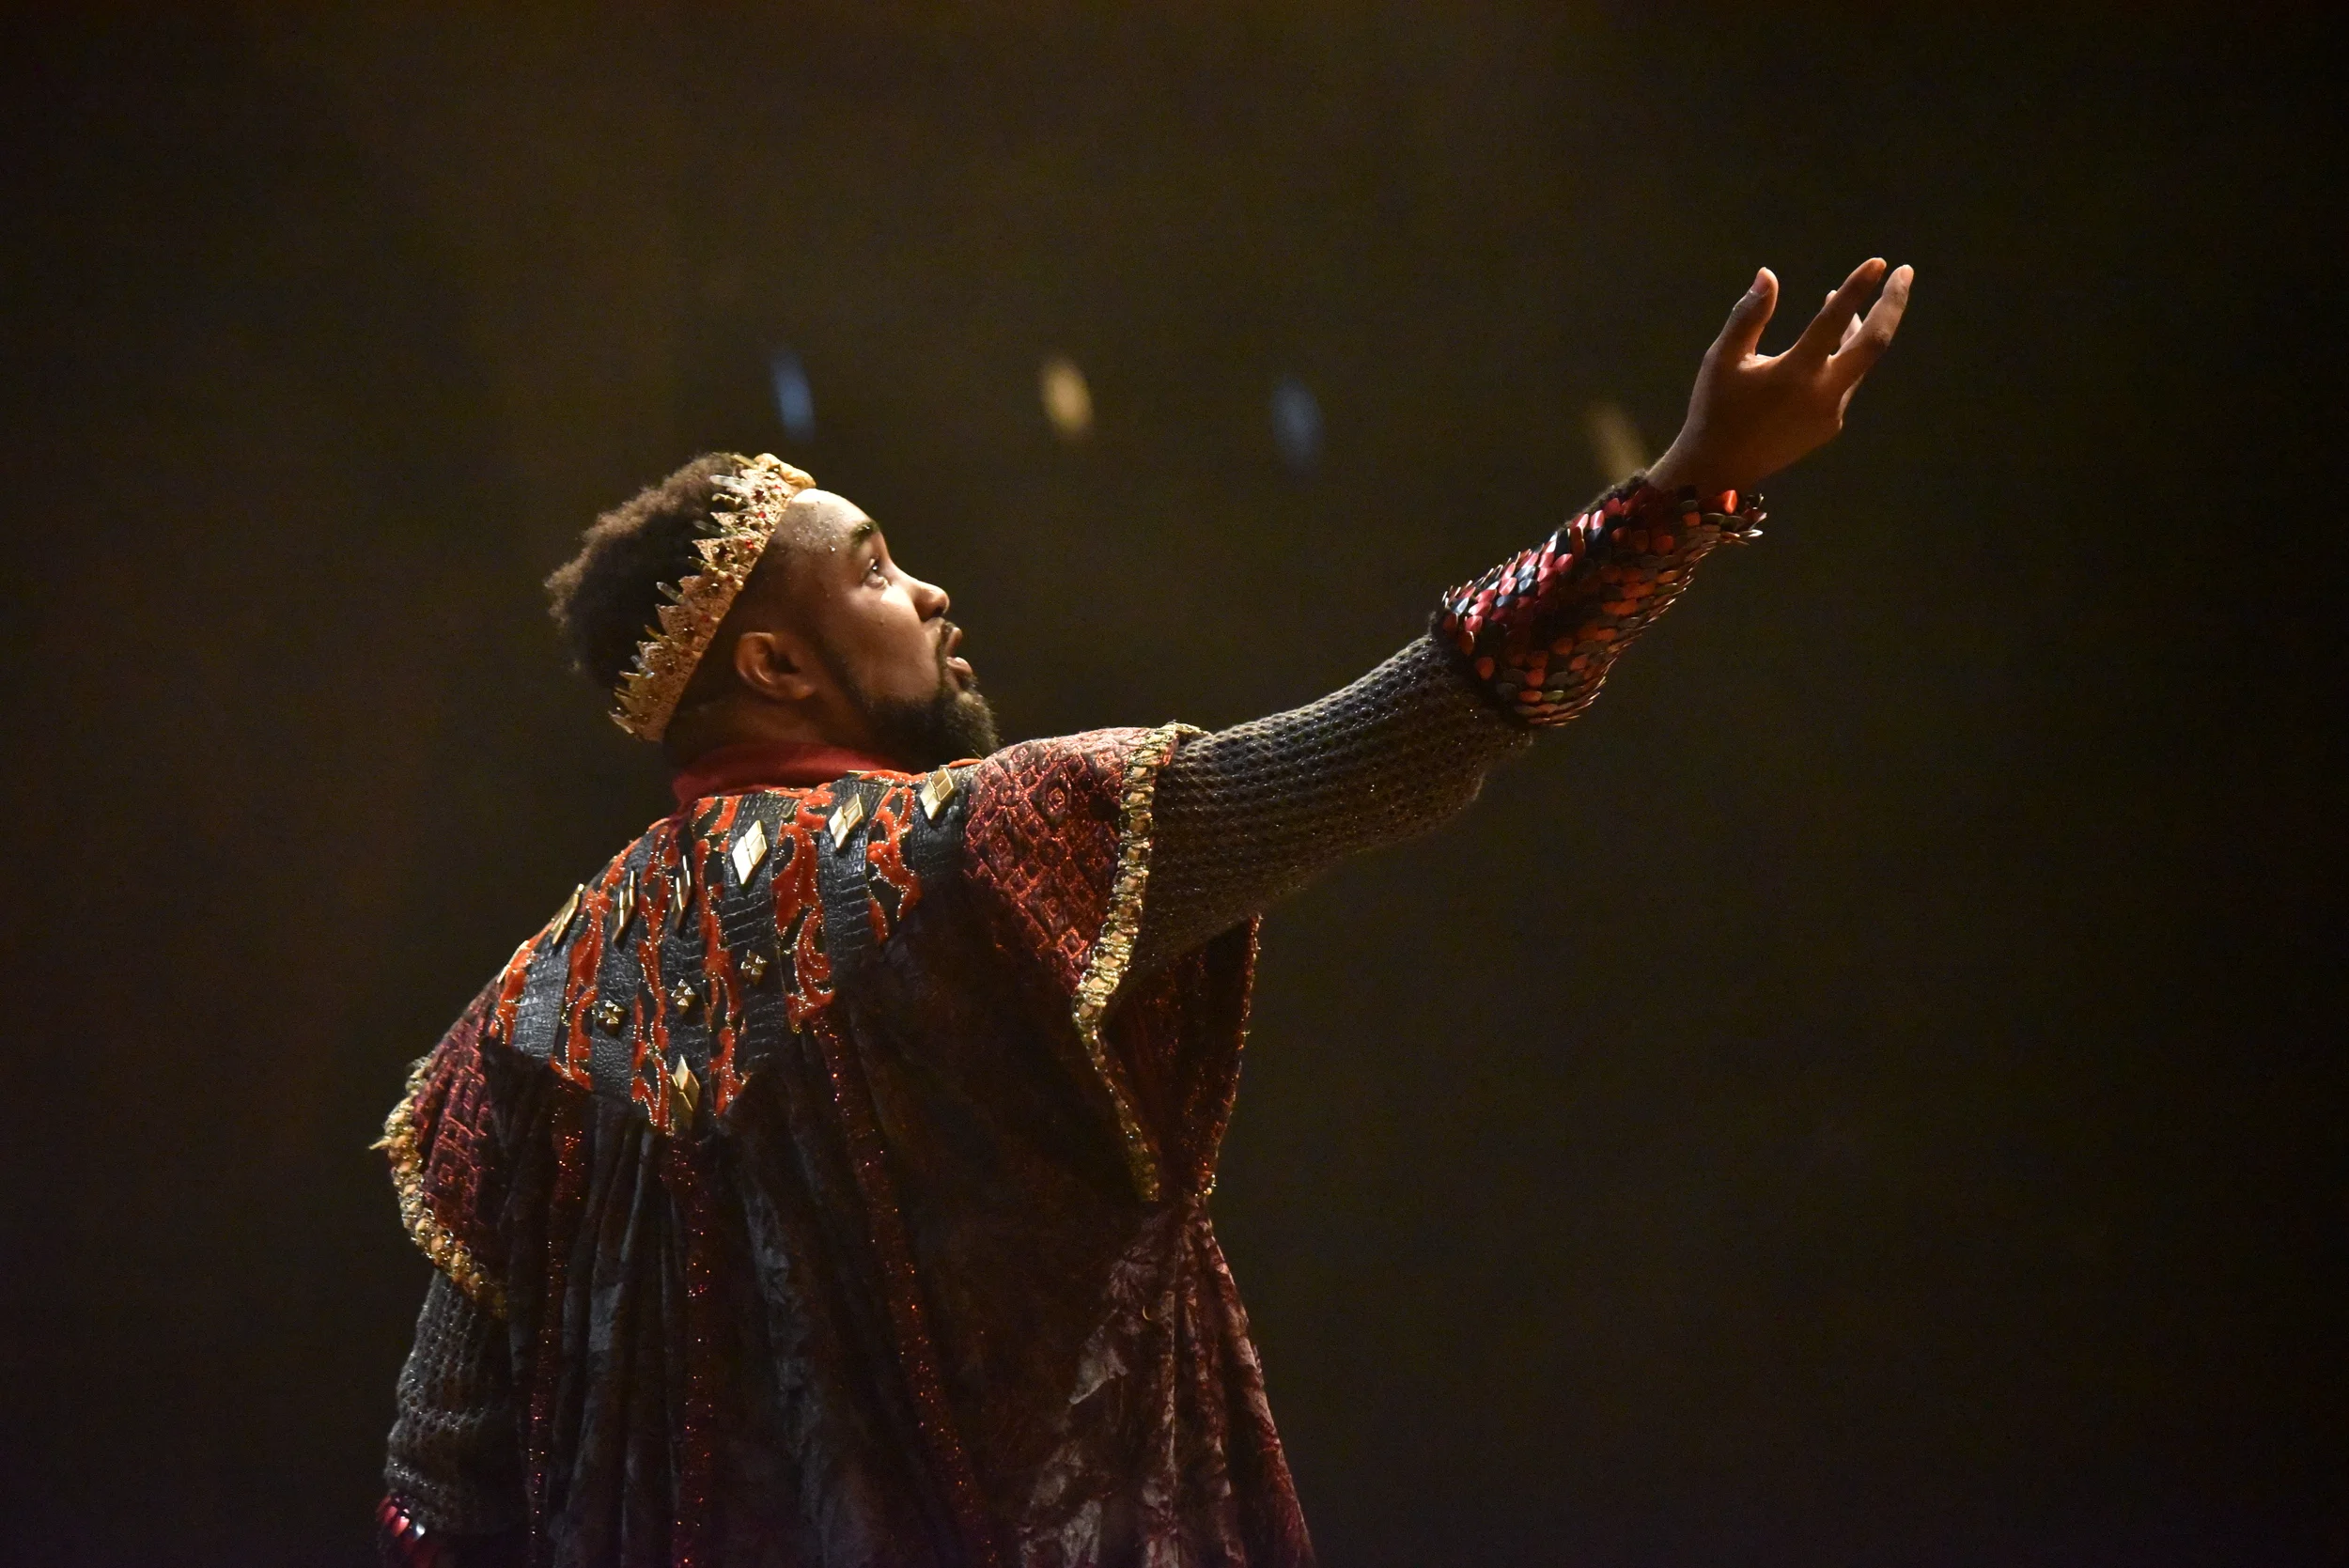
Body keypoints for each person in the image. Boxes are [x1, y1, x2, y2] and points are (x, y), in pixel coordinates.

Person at [376, 259, 1912, 1567]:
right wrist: (1684, 490)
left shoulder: (517, 1019)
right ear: (775, 665)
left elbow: (437, 1489)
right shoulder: (990, 847)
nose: (930, 593)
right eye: (876, 570)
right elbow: (1402, 742)